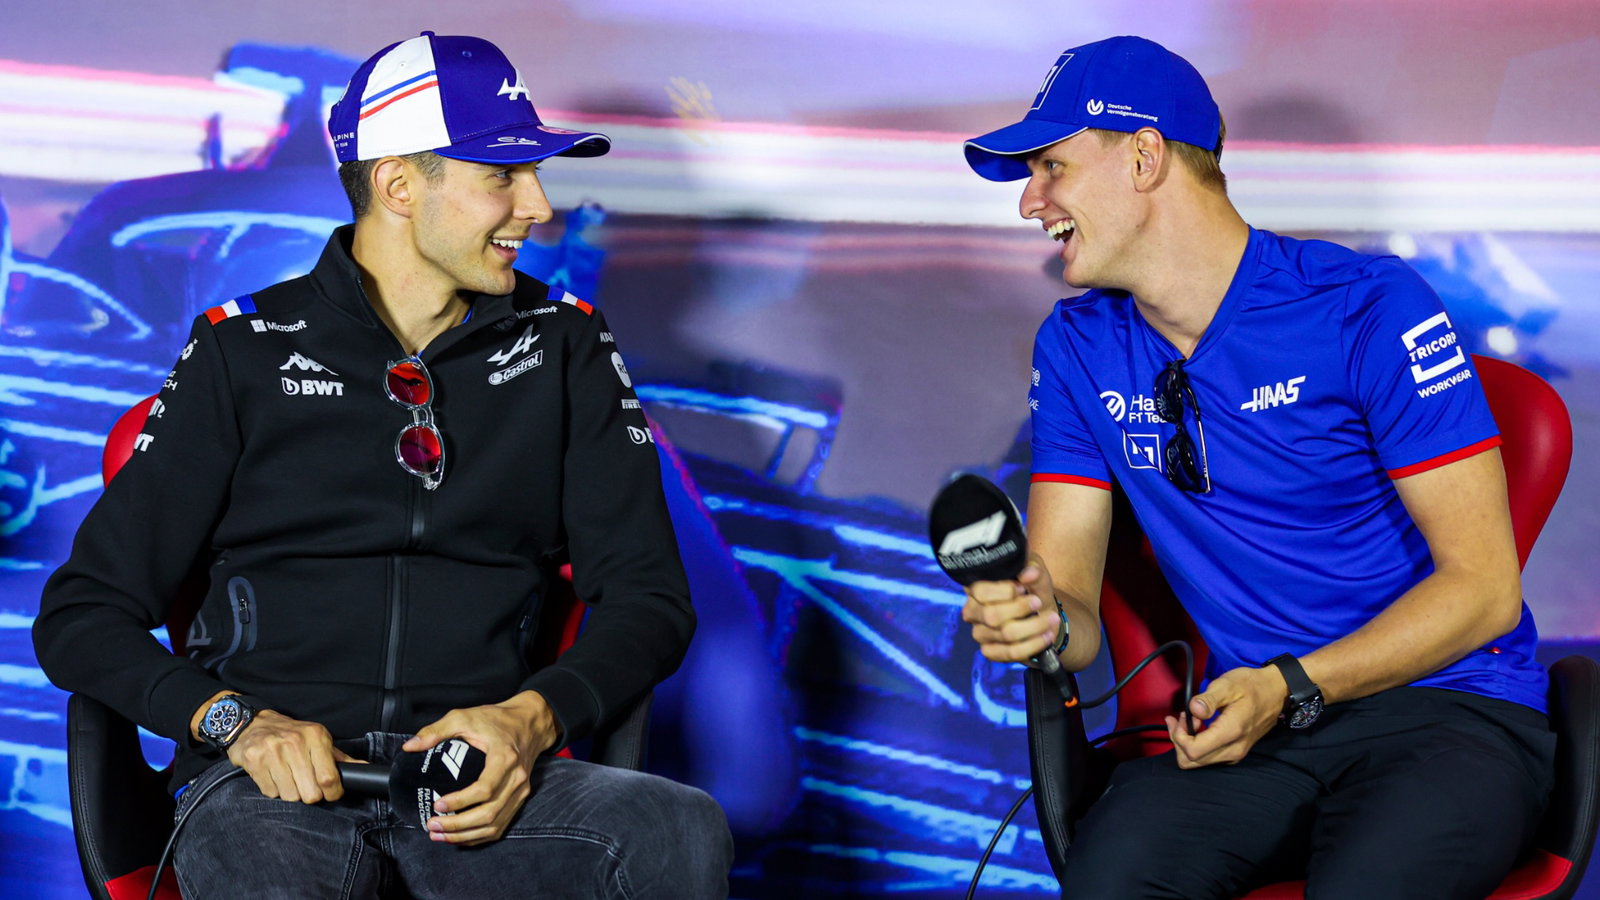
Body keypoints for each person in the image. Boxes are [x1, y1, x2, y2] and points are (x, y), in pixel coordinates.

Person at [34, 31, 731, 899]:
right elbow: (79, 616)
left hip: (476, 789)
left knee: (676, 826)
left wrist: (529, 719)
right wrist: (235, 725)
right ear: (401, 184)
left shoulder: (568, 348)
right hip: (266, 791)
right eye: (502, 177)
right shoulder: (239, 352)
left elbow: (650, 600)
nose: (539, 205)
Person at [959, 35, 1553, 899]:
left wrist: (1291, 685)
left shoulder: (1367, 308)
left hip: (1448, 710)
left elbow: (1486, 590)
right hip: (1258, 733)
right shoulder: (1078, 347)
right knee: (1112, 878)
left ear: (1145, 156)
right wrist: (1039, 621)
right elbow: (1075, 608)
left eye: (1050, 166)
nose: (1030, 202)